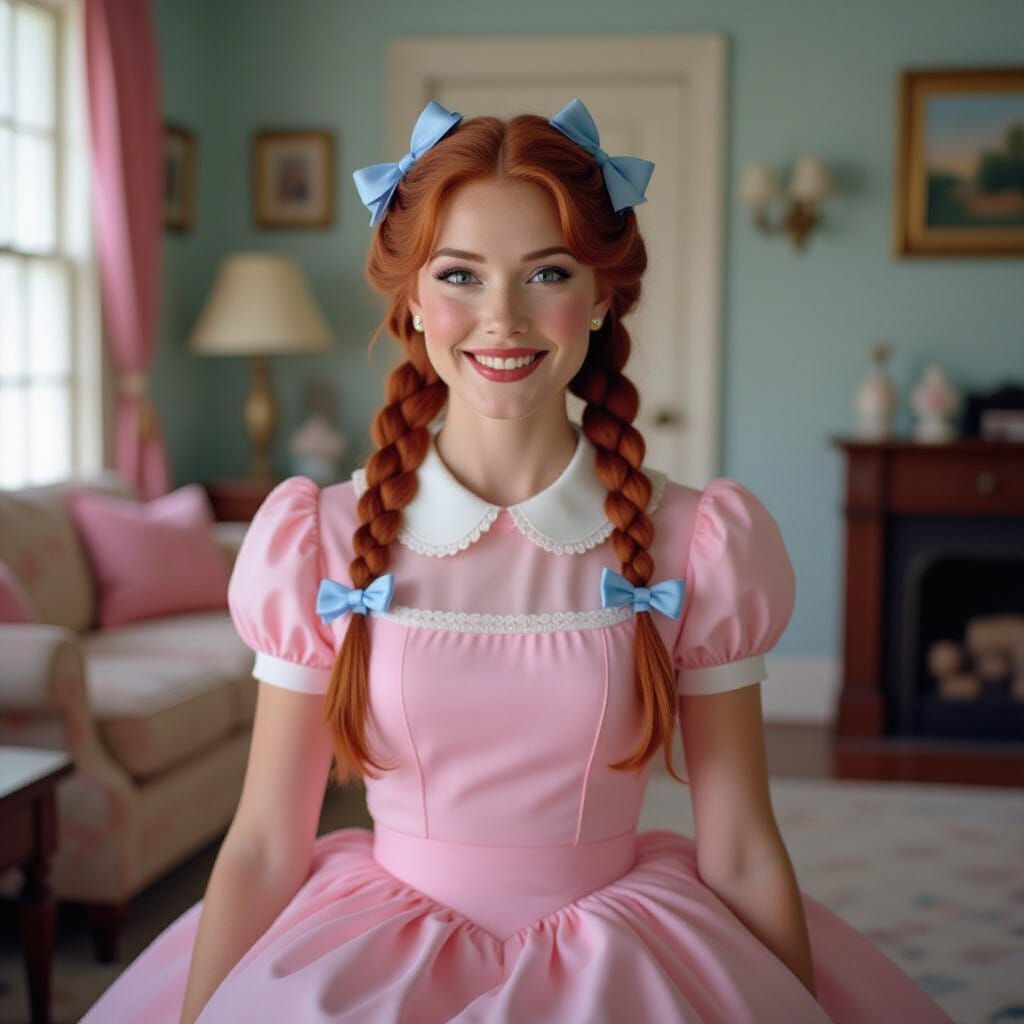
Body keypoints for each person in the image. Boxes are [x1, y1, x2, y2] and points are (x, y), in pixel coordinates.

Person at [81, 98, 953, 1024]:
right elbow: (262, 844)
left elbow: (739, 848)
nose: (501, 319)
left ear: (605, 292)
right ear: (413, 299)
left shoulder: (697, 542)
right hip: (366, 954)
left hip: (621, 960)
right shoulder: (318, 542)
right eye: (460, 274)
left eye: (547, 272)